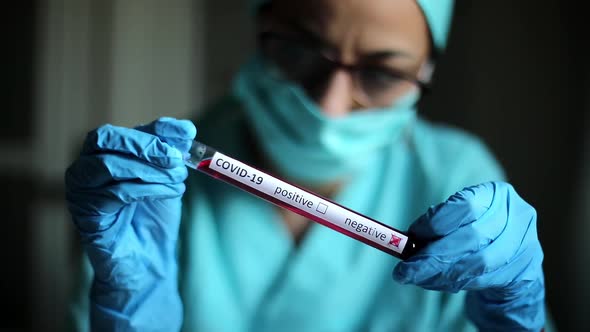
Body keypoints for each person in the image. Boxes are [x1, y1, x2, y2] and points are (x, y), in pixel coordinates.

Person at [65, 0, 549, 331]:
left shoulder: (456, 177)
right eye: (299, 50)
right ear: (260, 24)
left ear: (425, 71)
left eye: (381, 74)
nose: (330, 107)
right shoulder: (155, 183)